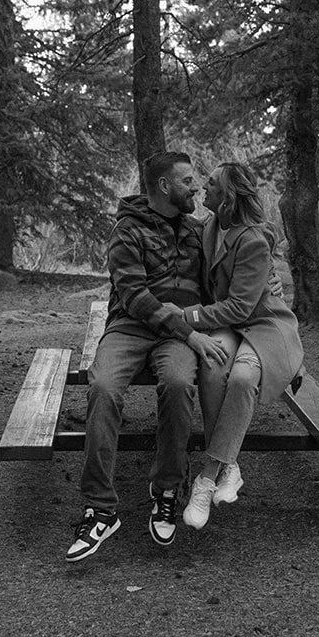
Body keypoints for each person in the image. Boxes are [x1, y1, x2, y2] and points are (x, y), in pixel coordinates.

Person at [66, 150, 229, 563]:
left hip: (180, 334)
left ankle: (167, 489)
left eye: (196, 181)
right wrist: (189, 334)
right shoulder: (127, 231)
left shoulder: (197, 231)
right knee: (102, 386)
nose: (195, 187)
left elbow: (220, 282)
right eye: (188, 181)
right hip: (132, 326)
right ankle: (100, 507)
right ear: (163, 186)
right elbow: (134, 296)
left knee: (177, 384)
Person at [179, 161, 304, 530]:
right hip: (229, 324)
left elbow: (240, 305)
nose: (204, 187)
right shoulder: (209, 226)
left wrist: (187, 318)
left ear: (229, 196)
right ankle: (230, 467)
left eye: (212, 184)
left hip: (264, 324)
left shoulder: (251, 239)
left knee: (242, 378)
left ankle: (206, 476)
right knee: (214, 367)